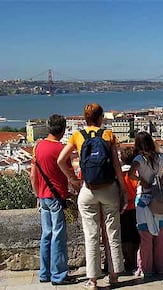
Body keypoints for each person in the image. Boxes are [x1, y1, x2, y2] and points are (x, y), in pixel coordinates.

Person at [57, 103, 127, 290]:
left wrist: (72, 178)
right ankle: (114, 275)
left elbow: (60, 160)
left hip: (88, 190)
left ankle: (93, 280)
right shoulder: (108, 135)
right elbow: (117, 166)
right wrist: (122, 188)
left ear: (85, 117)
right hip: (109, 188)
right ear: (101, 117)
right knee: (113, 233)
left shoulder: (77, 136)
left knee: (91, 235)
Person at [30, 114, 79, 285]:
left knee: (46, 235)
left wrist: (38, 195)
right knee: (58, 236)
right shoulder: (61, 150)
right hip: (57, 197)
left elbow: (32, 176)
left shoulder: (37, 147)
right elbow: (71, 176)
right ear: (63, 130)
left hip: (43, 197)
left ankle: (45, 273)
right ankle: (58, 275)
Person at [128, 131, 163, 278]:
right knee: (160, 236)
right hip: (159, 199)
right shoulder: (160, 157)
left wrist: (140, 179)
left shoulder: (139, 158)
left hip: (144, 199)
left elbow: (130, 173)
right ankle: (160, 268)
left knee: (145, 238)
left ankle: (146, 269)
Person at [119, 146, 139, 272]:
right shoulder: (136, 174)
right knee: (137, 236)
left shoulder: (119, 175)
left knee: (125, 237)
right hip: (136, 208)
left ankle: (129, 261)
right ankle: (138, 261)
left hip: (123, 209)